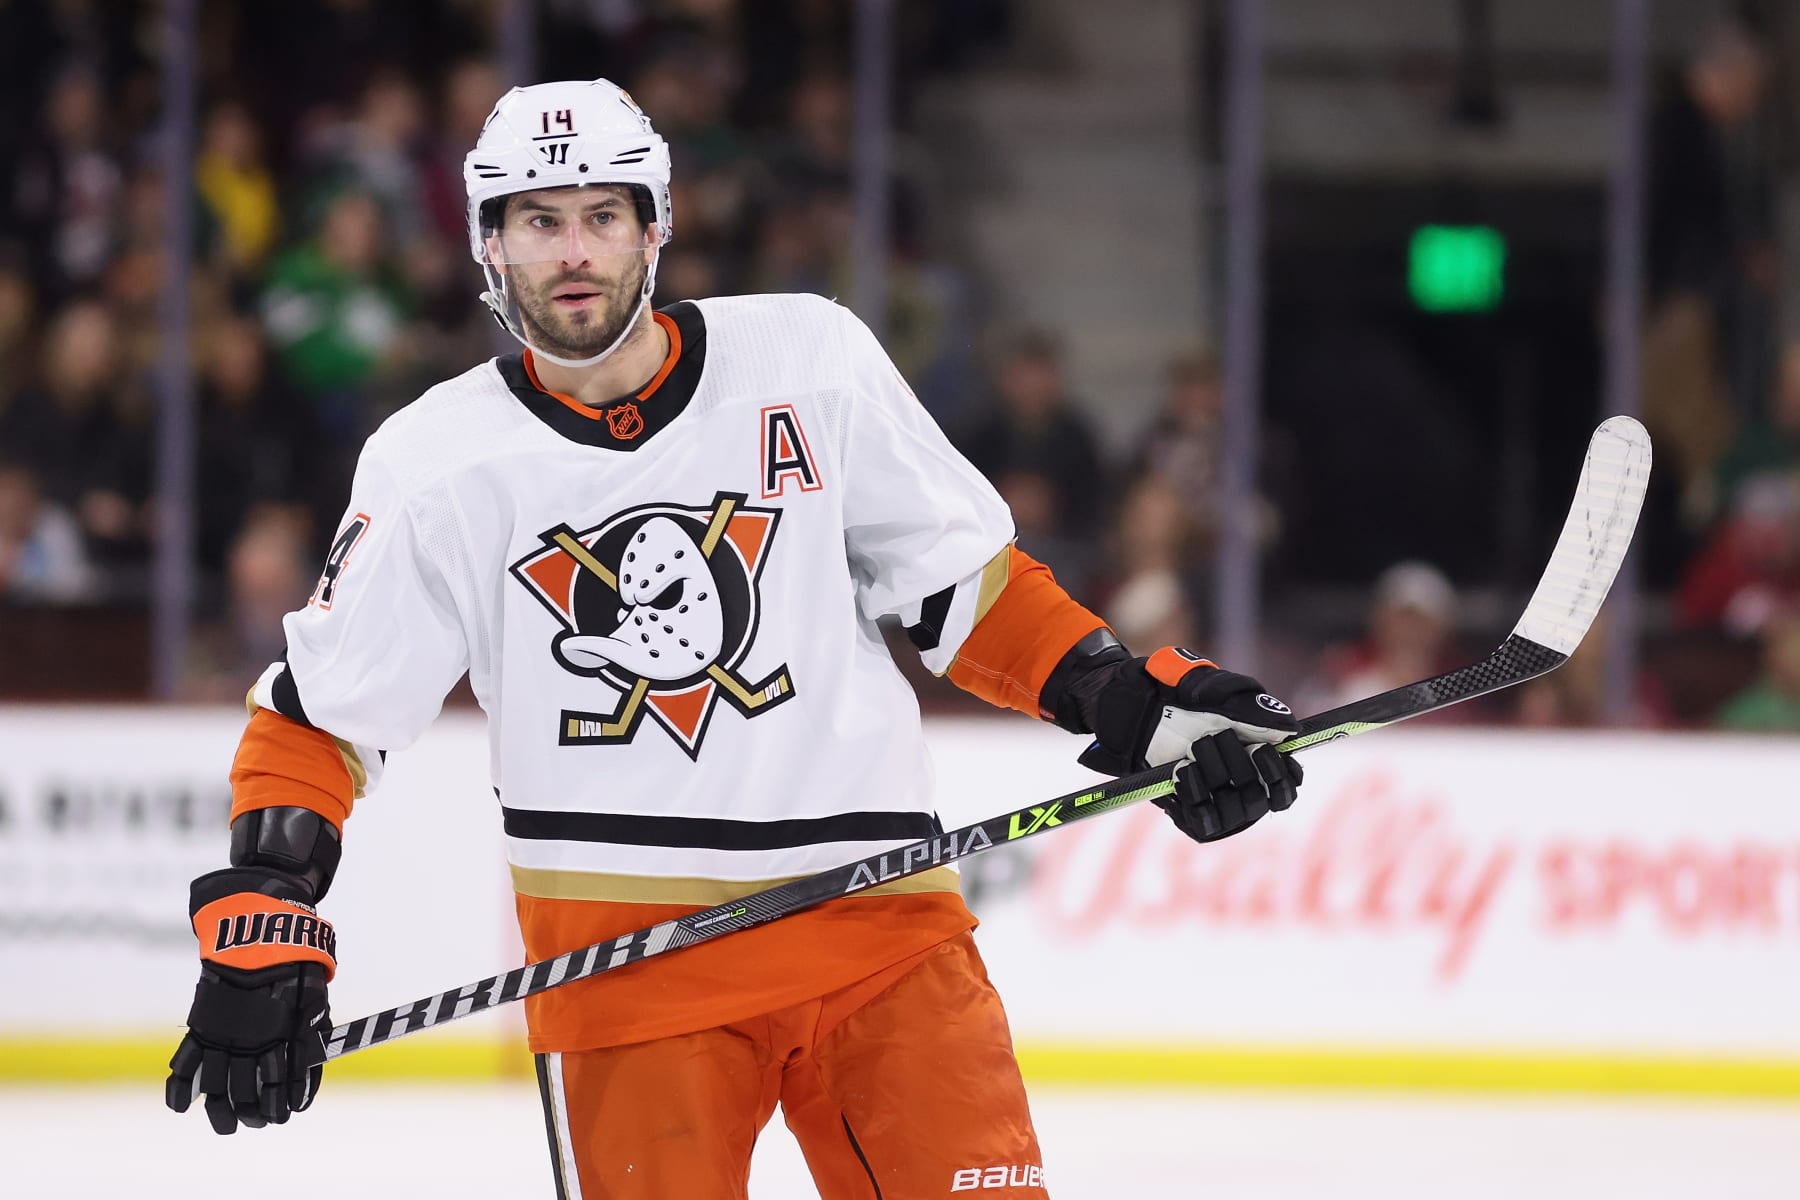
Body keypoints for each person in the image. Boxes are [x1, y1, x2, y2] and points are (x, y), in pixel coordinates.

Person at [163, 79, 1306, 1198]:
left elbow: (966, 592)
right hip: (628, 981)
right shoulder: (434, 462)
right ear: (489, 244)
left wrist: (1132, 702)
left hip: (881, 938)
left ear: (655, 228)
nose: (575, 252)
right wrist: (265, 909)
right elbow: (321, 715)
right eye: (541, 222)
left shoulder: (811, 360)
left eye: (604, 216)